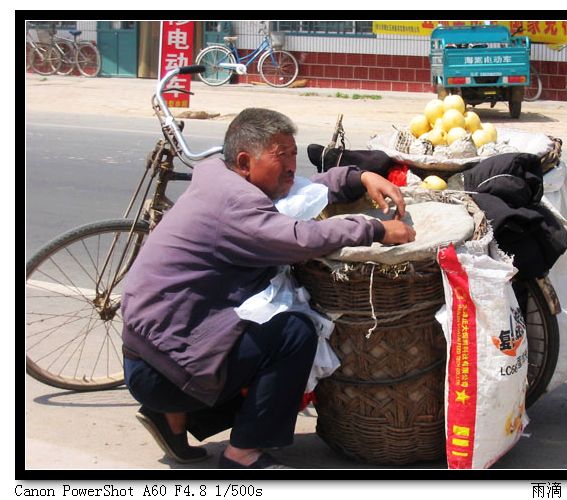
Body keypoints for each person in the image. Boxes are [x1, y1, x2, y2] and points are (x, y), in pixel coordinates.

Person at [121, 108, 416, 469]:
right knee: (293, 333)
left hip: (151, 354)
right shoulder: (236, 205)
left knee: (267, 329)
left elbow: (302, 195)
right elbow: (298, 237)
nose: (292, 166)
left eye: (294, 154)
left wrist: (360, 177)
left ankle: (173, 417)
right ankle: (242, 454)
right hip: (164, 370)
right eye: (283, 157)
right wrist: (374, 229)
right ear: (245, 161)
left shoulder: (222, 178)